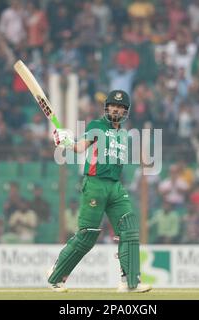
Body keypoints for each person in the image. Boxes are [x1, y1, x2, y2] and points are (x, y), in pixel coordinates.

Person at [48, 90, 151, 293]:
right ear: (107, 108)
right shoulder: (97, 126)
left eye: (121, 107)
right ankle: (56, 276)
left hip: (115, 185)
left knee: (129, 229)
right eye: (113, 105)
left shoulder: (123, 132)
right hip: (95, 184)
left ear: (126, 111)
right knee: (88, 235)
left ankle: (130, 281)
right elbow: (79, 148)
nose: (116, 109)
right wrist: (65, 142)